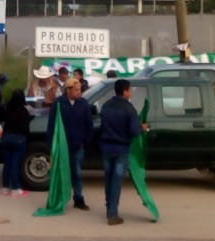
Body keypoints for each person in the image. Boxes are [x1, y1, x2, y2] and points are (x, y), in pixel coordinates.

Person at [99, 79, 145, 225]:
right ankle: (113, 214)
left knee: (108, 179)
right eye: (130, 90)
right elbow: (134, 131)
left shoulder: (106, 106)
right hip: (121, 149)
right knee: (116, 181)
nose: (131, 92)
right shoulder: (129, 109)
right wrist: (141, 127)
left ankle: (109, 209)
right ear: (125, 91)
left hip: (106, 147)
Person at [46, 77, 94, 210]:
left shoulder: (83, 103)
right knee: (61, 173)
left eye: (80, 90)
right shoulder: (58, 103)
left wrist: (85, 141)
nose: (79, 92)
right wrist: (51, 145)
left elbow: (89, 125)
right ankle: (59, 199)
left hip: (78, 146)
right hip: (62, 146)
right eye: (76, 90)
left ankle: (78, 199)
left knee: (77, 173)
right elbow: (51, 125)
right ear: (68, 90)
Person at [0, 90, 31, 197]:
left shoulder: (7, 109)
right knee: (15, 165)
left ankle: (4, 188)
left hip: (6, 138)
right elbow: (27, 128)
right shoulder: (24, 111)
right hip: (19, 139)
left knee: (7, 164)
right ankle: (15, 188)